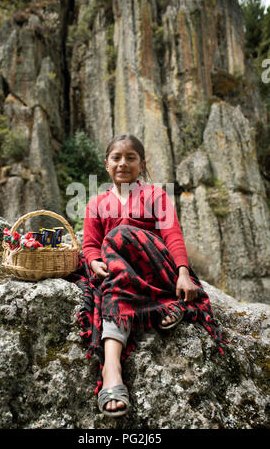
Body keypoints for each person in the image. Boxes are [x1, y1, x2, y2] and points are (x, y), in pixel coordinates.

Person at [70, 134, 228, 418]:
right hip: (120, 276)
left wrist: (182, 273)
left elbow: (173, 237)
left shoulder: (156, 196)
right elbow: (91, 245)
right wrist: (93, 263)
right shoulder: (96, 203)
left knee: (119, 235)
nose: (123, 163)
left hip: (156, 270)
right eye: (116, 158)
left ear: (142, 164)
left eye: (131, 158)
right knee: (113, 278)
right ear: (106, 164)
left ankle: (156, 308)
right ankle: (113, 369)